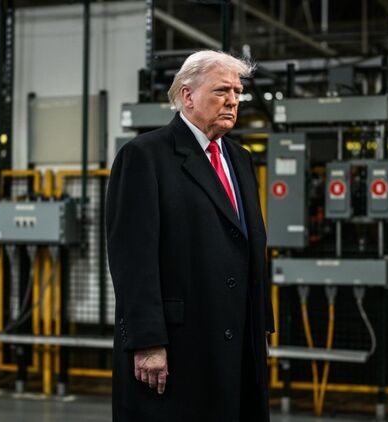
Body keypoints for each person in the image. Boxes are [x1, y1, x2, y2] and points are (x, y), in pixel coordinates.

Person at [107, 50, 273, 422]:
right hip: (178, 345)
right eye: (221, 91)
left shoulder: (240, 159)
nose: (233, 100)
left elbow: (250, 245)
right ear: (187, 96)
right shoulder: (144, 156)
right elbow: (132, 259)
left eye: (237, 92)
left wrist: (261, 325)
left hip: (237, 340)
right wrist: (147, 340)